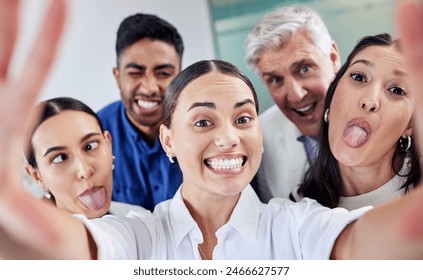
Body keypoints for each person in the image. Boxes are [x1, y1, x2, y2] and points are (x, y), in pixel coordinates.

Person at [1, 0, 423, 260]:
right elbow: (76, 249)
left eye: (243, 119)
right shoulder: (141, 234)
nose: (229, 138)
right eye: (203, 121)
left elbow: (360, 245)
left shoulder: (297, 224)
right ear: (168, 139)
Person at [297, 33, 421, 210]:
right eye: (359, 77)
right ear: (331, 101)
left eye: (396, 90)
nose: (369, 101)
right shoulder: (299, 210)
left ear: (410, 125)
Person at [244, 6, 341, 202]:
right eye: (276, 80)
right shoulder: (263, 136)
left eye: (304, 69)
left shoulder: (381, 113)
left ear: (332, 58)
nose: (296, 96)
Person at [97, 13, 184, 211]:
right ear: (118, 77)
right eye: (135, 73)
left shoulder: (205, 129)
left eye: (163, 73)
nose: (149, 88)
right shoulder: (93, 136)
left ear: (180, 77)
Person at [23, 97, 146, 218]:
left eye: (90, 146)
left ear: (108, 143)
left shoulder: (137, 217)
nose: (85, 171)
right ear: (37, 176)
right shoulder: (24, 237)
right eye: (60, 158)